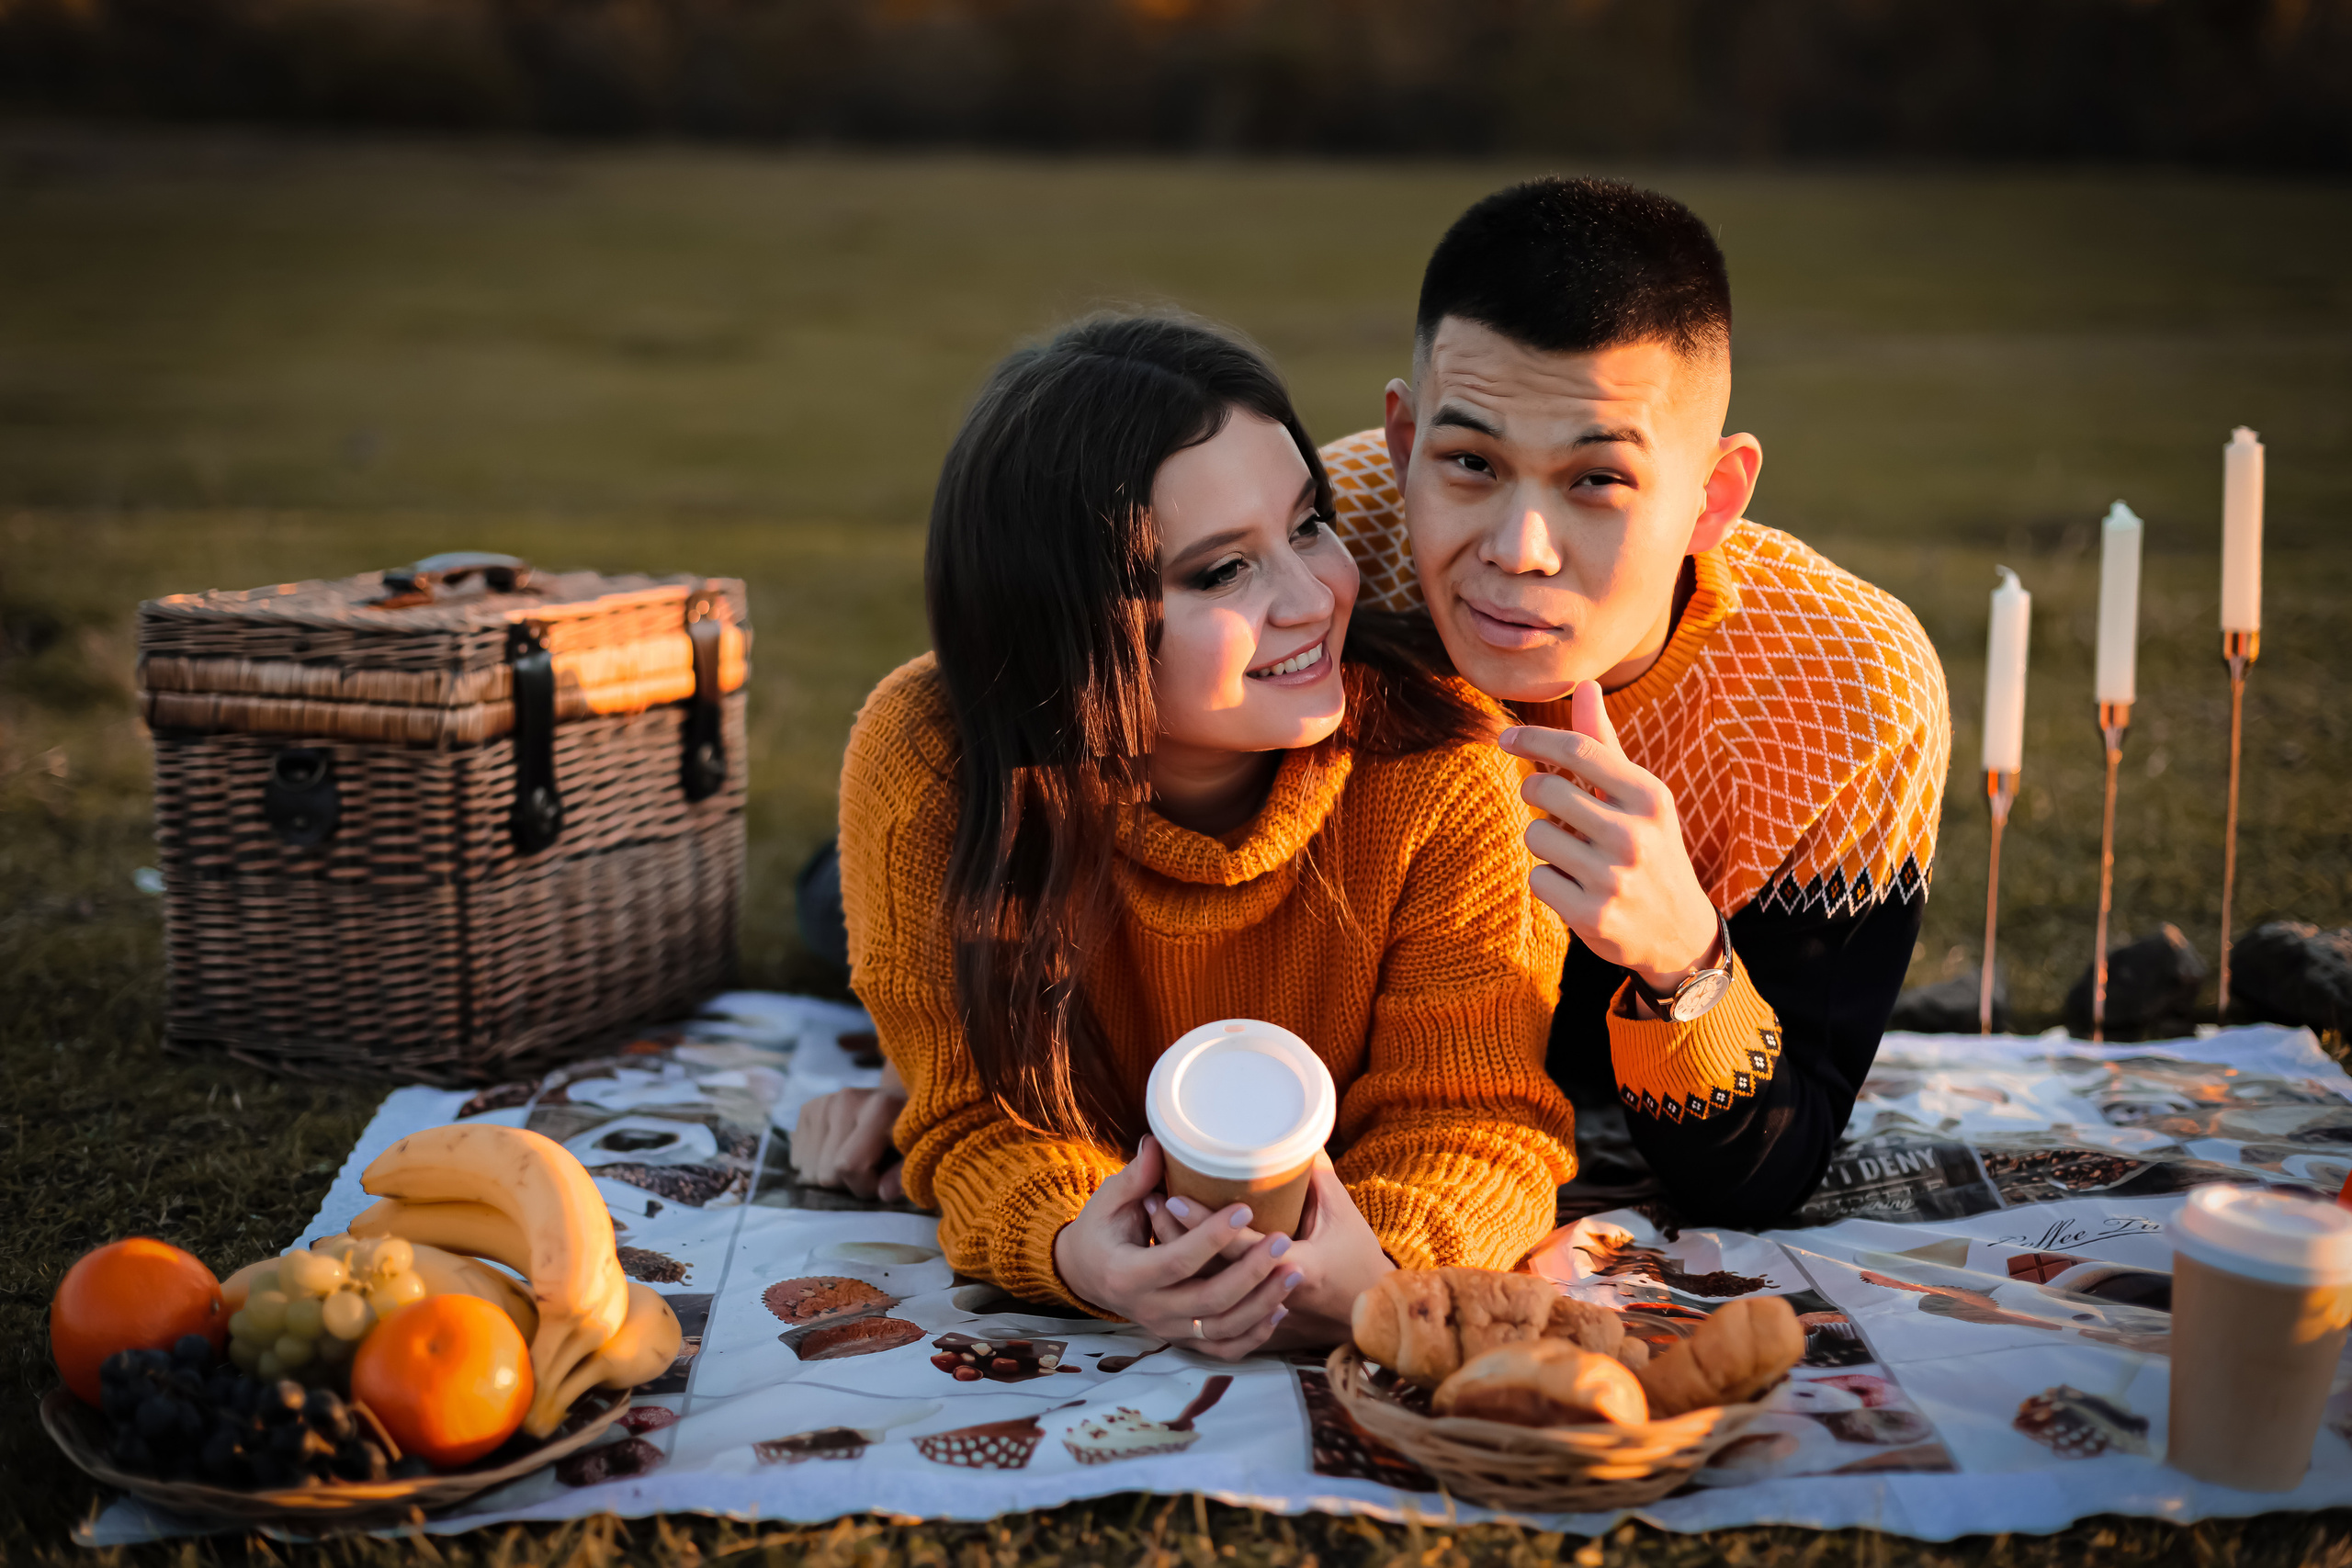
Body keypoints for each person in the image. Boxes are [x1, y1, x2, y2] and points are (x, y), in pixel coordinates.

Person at [802, 176, 1951, 1230]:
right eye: (1469, 464)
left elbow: (1769, 1170)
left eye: (1598, 480)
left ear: (1712, 497)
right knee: (844, 902)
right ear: (1402, 443)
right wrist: (949, 1059)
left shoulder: (1849, 690)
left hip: (1541, 1007)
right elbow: (1034, 657)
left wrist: (1681, 957)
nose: (1518, 549)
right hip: (1251, 910)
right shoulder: (1333, 523)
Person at [827, 314, 1576, 1357]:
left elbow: (1473, 1116)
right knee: (839, 952)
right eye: (1222, 572)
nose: (1313, 598)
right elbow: (977, 1119)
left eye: (1307, 525)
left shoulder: (1448, 768)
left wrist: (1381, 1269)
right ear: (1066, 621)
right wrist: (1077, 1249)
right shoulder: (932, 760)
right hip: (1035, 812)